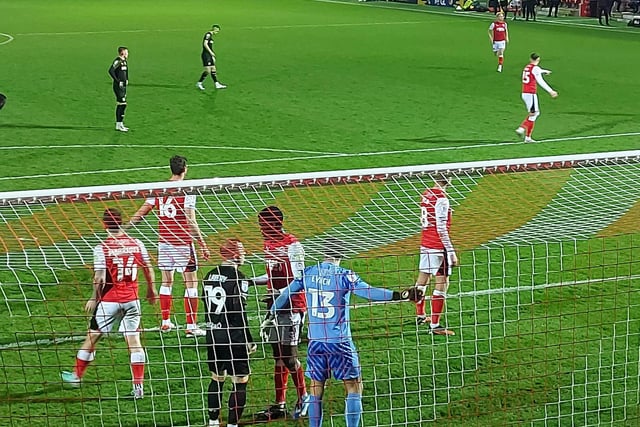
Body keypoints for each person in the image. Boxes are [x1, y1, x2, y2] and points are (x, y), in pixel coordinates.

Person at [265, 238, 423, 427]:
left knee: (316, 389)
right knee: (354, 386)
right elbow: (369, 292)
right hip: (339, 342)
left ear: (323, 253)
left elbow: (285, 294)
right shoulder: (344, 275)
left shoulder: (308, 273)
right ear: (341, 254)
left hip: (316, 342)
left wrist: (270, 314)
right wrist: (401, 295)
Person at [61, 208, 157, 399]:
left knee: (93, 337)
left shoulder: (102, 248)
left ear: (104, 224)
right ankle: (138, 387)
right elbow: (148, 267)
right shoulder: (137, 243)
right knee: (134, 342)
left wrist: (93, 298)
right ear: (122, 222)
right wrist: (151, 290)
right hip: (132, 301)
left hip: (109, 301)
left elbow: (99, 279)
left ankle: (76, 376)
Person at [127, 155, 211, 336]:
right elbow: (190, 220)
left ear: (171, 169)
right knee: (191, 283)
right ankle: (191, 326)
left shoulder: (158, 189)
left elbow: (142, 212)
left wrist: (124, 229)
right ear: (185, 169)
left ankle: (166, 322)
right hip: (182, 243)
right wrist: (202, 243)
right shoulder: (187, 190)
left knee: (167, 281)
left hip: (164, 244)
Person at [253, 206, 309, 421]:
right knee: (278, 356)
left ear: (275, 224)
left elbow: (298, 280)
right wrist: (248, 281)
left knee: (289, 356)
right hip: (275, 306)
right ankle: (280, 404)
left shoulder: (293, 245)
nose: (260, 229)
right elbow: (269, 276)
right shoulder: (268, 244)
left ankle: (304, 397)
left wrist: (277, 294)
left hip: (292, 307)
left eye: (263, 225)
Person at [202, 239, 256, 427]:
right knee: (240, 380)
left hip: (213, 334)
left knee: (217, 378)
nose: (245, 254)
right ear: (234, 254)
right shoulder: (239, 278)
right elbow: (239, 310)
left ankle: (213, 421)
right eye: (242, 251)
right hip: (233, 336)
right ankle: (233, 425)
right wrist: (248, 339)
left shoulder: (209, 275)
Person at [414, 175, 458, 336]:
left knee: (423, 278)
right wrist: (451, 251)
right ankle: (435, 325)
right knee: (442, 283)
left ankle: (420, 315)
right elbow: (441, 228)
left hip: (425, 243)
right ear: (449, 180)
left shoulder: (426, 193)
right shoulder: (442, 199)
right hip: (438, 246)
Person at [515, 53, 558, 143]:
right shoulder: (536, 68)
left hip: (525, 93)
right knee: (534, 113)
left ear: (530, 59)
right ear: (538, 60)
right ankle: (521, 129)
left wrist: (544, 71)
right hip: (531, 94)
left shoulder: (527, 67)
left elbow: (536, 71)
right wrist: (551, 91)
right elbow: (540, 81)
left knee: (534, 114)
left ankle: (528, 137)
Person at [196, 25, 227, 91]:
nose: (217, 33)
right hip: (206, 55)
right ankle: (199, 83)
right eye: (217, 31)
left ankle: (216, 84)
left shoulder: (211, 36)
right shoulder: (208, 34)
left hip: (209, 55)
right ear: (214, 29)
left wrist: (212, 56)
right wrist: (211, 53)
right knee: (208, 70)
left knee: (213, 69)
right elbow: (205, 44)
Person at [108, 46, 130, 132]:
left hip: (123, 86)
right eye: (126, 52)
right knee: (122, 104)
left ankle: (120, 124)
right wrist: (117, 81)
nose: (127, 54)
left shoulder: (124, 61)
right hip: (119, 86)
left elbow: (125, 72)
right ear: (122, 53)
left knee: (122, 104)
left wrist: (126, 79)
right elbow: (111, 70)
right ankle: (119, 124)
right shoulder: (118, 61)